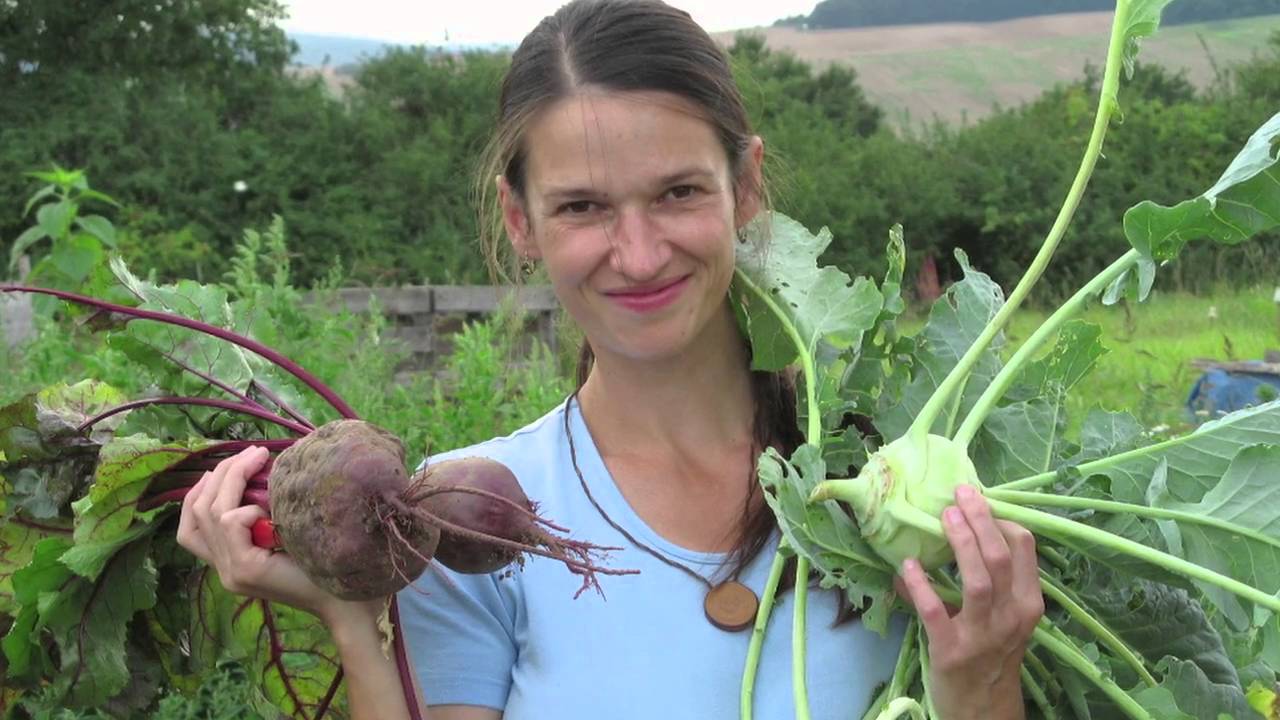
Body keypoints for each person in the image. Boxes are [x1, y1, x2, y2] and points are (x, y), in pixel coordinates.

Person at [176, 1, 1045, 718]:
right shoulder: (468, 520)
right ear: (520, 222)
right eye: (583, 207)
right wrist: (350, 619)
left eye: (678, 192)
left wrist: (983, 685)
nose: (637, 253)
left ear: (744, 186)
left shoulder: (895, 474)